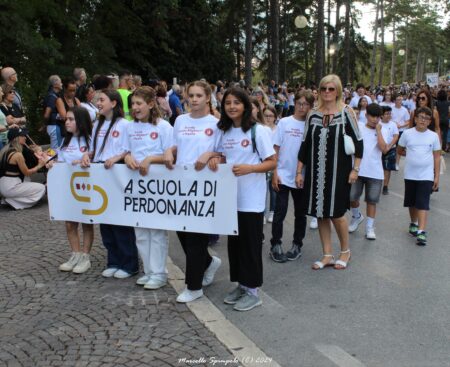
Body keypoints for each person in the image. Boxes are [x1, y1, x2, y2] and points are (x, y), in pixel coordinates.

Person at [212, 87, 276, 311]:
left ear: (245, 106)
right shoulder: (225, 131)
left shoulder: (258, 131)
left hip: (251, 199)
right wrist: (215, 158)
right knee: (235, 246)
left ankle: (253, 291)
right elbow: (220, 154)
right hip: (231, 198)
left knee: (250, 246)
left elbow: (272, 161)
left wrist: (251, 168)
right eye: (228, 103)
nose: (231, 107)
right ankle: (241, 284)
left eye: (236, 103)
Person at [296, 74, 363, 270]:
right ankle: (327, 254)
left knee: (337, 213)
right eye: (324, 88)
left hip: (339, 172)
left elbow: (358, 143)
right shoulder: (313, 114)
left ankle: (345, 251)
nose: (327, 92)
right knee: (320, 213)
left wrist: (355, 169)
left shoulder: (346, 113)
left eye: (331, 89)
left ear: (338, 91)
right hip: (316, 172)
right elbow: (305, 145)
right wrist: (299, 171)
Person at [164, 81, 222, 303]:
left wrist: (211, 155)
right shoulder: (179, 120)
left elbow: (223, 151)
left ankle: (193, 286)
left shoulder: (216, 123)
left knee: (196, 236)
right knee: (183, 234)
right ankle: (208, 263)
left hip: (204, 186)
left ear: (208, 97)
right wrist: (169, 151)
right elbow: (176, 145)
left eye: (199, 95)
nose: (195, 99)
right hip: (180, 184)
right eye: (191, 95)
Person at [81, 89, 138, 278]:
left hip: (116, 172)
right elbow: (93, 149)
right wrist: (86, 156)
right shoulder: (97, 123)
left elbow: (128, 149)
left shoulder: (124, 125)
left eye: (102, 100)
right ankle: (113, 260)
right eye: (97, 100)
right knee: (105, 220)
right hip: (100, 173)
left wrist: (117, 157)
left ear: (113, 103)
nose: (98, 103)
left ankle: (129, 263)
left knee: (120, 220)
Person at [124, 86, 173, 289]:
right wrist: (127, 158)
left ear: (151, 104)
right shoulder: (130, 127)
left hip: (158, 186)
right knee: (141, 230)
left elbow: (171, 157)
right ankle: (149, 270)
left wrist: (151, 159)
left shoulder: (163, 127)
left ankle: (160, 272)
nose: (135, 108)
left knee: (157, 230)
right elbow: (125, 151)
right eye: (133, 104)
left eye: (139, 104)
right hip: (136, 186)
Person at [270, 90, 313, 263]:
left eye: (306, 104)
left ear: (311, 106)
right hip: (282, 174)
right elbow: (275, 149)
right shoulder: (284, 123)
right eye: (300, 103)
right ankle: (276, 244)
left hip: (301, 177)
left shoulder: (311, 126)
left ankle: (297, 245)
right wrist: (274, 173)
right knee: (279, 212)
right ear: (294, 102)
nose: (302, 107)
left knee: (300, 214)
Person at [54, 107, 94, 273]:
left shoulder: (91, 140)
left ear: (81, 121)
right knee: (70, 223)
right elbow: (60, 160)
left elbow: (95, 159)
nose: (67, 122)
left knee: (86, 222)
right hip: (69, 188)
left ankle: (85, 256)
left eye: (71, 119)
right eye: (66, 120)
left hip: (87, 188)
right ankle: (75, 254)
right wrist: (52, 163)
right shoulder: (65, 141)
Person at [397, 107, 440, 246]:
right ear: (415, 119)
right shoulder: (407, 134)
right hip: (410, 174)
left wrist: (436, 177)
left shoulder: (433, 136)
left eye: (426, 118)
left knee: (422, 203)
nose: (423, 120)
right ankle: (413, 223)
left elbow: (437, 157)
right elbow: (400, 149)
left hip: (426, 175)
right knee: (411, 202)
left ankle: (421, 232)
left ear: (429, 122)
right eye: (421, 117)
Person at [348, 103, 387, 240]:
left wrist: (379, 131)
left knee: (371, 201)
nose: (375, 119)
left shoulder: (382, 129)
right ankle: (356, 216)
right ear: (366, 115)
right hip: (357, 169)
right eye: (372, 116)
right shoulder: (358, 127)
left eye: (378, 117)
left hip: (375, 172)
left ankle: (370, 228)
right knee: (352, 197)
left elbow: (384, 149)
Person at [0, 128, 46, 209]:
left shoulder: (4, 150)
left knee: (27, 179)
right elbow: (27, 172)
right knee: (41, 188)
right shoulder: (17, 154)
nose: (25, 137)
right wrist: (40, 165)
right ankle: (14, 202)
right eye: (22, 136)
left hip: (3, 185)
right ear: (16, 138)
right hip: (10, 187)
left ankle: (8, 199)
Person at [263, 105, 278, 223]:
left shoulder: (278, 130)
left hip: (274, 162)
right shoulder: (260, 129)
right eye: (265, 115)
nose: (268, 118)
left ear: (275, 117)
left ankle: (272, 211)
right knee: (263, 189)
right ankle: (263, 212)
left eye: (270, 116)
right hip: (263, 162)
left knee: (273, 189)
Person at [380, 106, 399, 195]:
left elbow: (396, 136)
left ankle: (385, 186)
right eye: (386, 114)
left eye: (389, 113)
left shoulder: (393, 124)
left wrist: (389, 146)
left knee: (387, 168)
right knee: (379, 167)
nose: (388, 115)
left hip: (390, 149)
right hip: (379, 149)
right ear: (381, 115)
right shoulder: (378, 124)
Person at [43, 75, 64, 149]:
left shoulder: (52, 95)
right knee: (56, 150)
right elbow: (47, 114)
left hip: (53, 125)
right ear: (55, 85)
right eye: (60, 82)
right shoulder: (52, 96)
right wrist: (45, 124)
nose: (62, 84)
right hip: (54, 126)